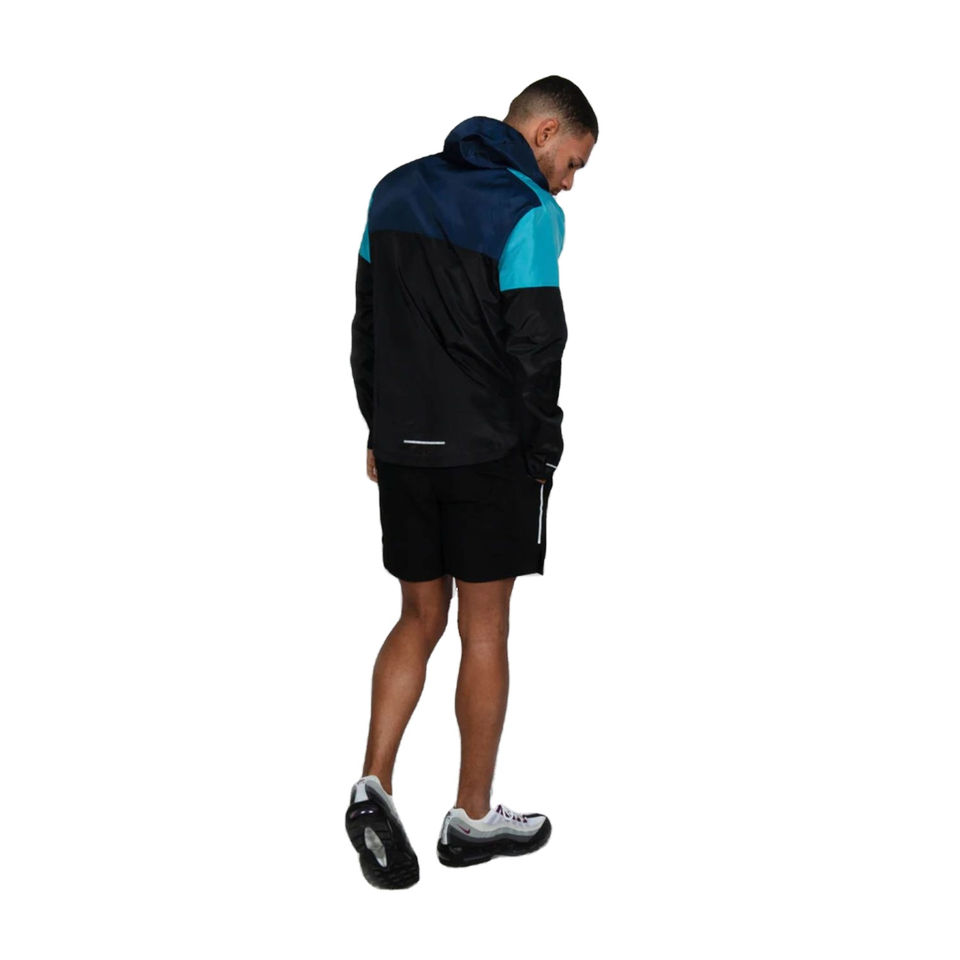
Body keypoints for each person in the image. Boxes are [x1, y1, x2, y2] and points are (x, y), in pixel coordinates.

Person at [345, 76, 597, 889]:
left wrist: (380, 429)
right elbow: (536, 348)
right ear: (545, 130)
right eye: (573, 161)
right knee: (484, 630)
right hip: (488, 455)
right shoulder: (529, 210)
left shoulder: (392, 191)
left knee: (418, 615)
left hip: (404, 452)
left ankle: (372, 784)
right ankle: (471, 818)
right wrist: (543, 453)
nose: (569, 181)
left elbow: (367, 328)